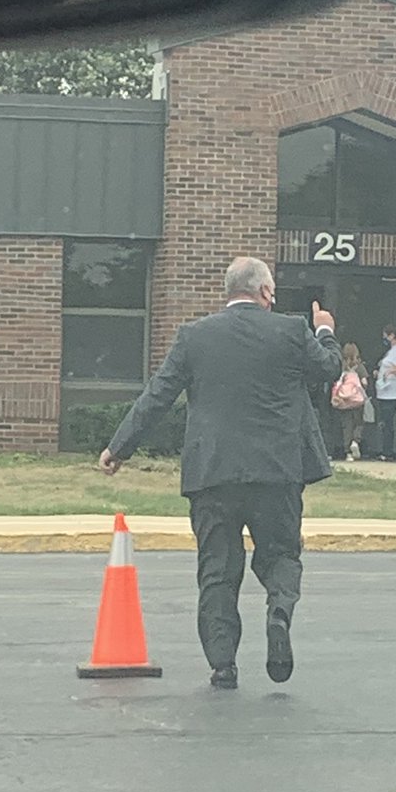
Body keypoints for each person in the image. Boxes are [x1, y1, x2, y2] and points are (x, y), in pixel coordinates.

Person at [98, 256, 341, 691]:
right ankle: (279, 613)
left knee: (217, 569)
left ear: (228, 292)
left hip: (212, 474)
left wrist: (119, 446)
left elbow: (158, 395)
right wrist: (324, 329)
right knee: (282, 555)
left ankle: (223, 664)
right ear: (266, 292)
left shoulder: (196, 337)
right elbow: (327, 369)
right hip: (277, 473)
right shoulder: (290, 330)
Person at [375, 324, 396, 461]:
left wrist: (390, 371)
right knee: (384, 421)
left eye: (386, 335)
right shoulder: (391, 351)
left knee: (388, 421)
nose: (384, 338)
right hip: (384, 390)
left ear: (392, 335)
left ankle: (388, 451)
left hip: (392, 392)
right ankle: (385, 449)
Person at [332, 342, 368, 461]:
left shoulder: (341, 366)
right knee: (359, 423)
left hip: (344, 401)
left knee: (346, 426)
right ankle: (355, 441)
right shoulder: (359, 366)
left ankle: (348, 453)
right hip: (357, 401)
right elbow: (364, 382)